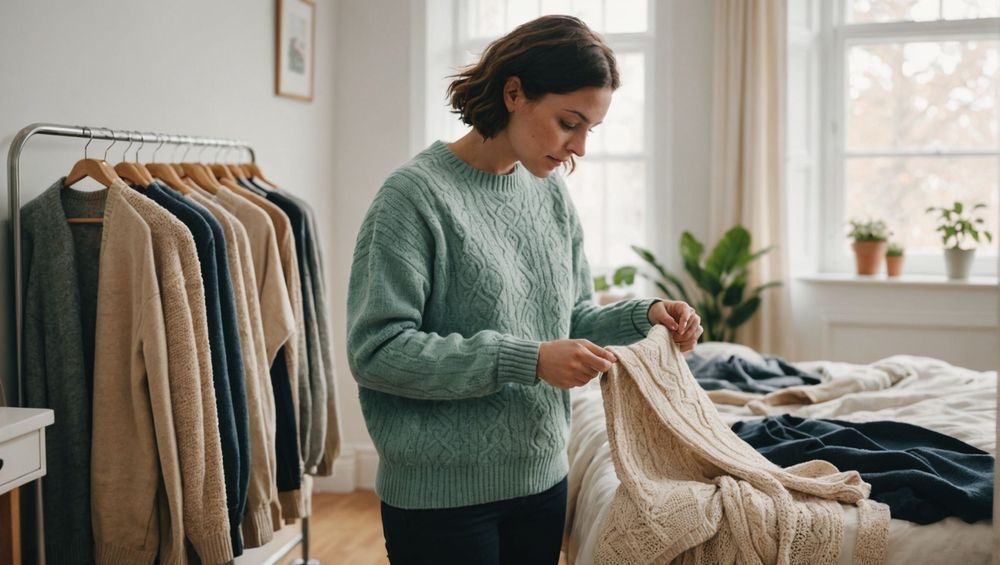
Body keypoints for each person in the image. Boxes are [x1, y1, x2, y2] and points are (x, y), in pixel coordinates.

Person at [346, 14, 704, 565]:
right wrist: (527, 359)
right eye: (569, 122)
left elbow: (572, 317)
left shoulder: (551, 195)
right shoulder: (413, 197)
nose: (579, 147)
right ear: (514, 92)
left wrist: (647, 315)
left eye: (590, 130)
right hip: (441, 500)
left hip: (542, 480)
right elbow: (378, 352)